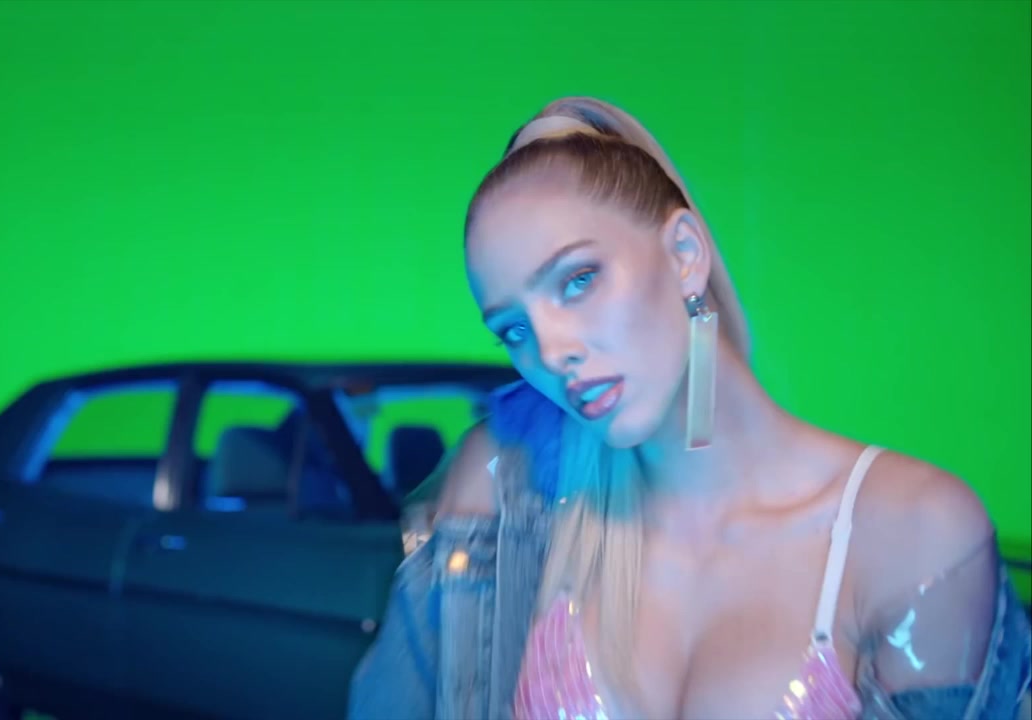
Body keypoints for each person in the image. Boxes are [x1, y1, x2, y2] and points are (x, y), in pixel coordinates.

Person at [347, 97, 1031, 719]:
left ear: (684, 254)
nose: (552, 352)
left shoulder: (913, 531)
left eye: (578, 280)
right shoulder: (508, 495)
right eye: (514, 330)